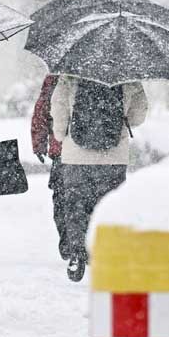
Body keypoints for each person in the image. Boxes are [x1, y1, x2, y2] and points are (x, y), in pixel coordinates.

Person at [50, 76, 148, 282]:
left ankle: (77, 253)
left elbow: (58, 111)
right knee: (109, 206)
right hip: (113, 157)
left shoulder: (69, 75)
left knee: (76, 206)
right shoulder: (129, 77)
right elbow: (138, 116)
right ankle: (106, 253)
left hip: (76, 157)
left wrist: (61, 135)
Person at [31, 74, 71, 261]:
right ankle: (87, 242)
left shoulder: (56, 77)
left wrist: (39, 144)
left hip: (63, 150)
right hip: (100, 153)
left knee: (63, 200)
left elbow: (42, 113)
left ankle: (69, 243)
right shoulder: (107, 72)